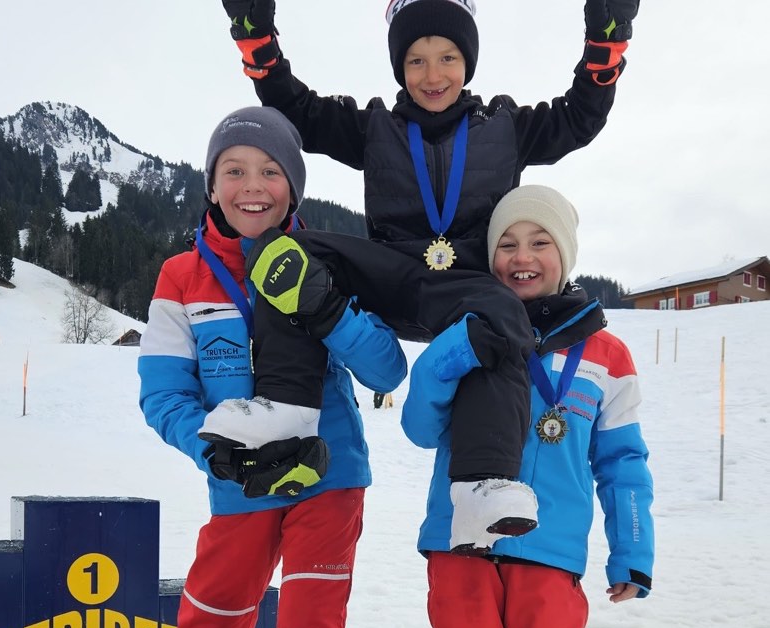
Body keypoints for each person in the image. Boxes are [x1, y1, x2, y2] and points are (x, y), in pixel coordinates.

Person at [217, 0, 640, 553]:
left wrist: (605, 45)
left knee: (502, 317)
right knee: (285, 250)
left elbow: (578, 118)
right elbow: (299, 110)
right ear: (399, 67)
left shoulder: (507, 126)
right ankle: (287, 410)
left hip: (466, 289)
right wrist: (257, 41)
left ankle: (482, 487)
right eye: (416, 61)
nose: (433, 75)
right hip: (391, 276)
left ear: (468, 62)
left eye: (447, 57)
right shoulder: (374, 127)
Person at [400, 185, 654, 628]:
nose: (521, 257)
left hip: (550, 549)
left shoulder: (606, 352)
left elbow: (622, 462)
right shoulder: (469, 326)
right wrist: (455, 348)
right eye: (507, 244)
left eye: (538, 242)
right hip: (459, 541)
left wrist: (631, 547)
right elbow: (420, 425)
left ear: (564, 254)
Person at [137, 107, 407, 628]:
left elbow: (386, 369)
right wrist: (213, 452)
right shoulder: (182, 277)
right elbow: (162, 393)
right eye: (234, 170)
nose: (252, 185)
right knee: (207, 627)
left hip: (329, 474)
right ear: (211, 185)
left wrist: (326, 307)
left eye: (269, 170)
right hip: (239, 485)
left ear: (293, 186)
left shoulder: (324, 259)